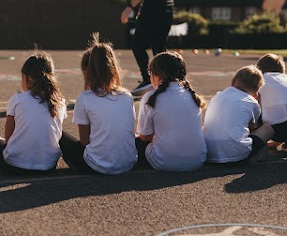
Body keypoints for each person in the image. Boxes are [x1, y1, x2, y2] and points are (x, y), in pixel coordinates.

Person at [59, 33, 137, 175]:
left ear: (88, 72)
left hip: (96, 166)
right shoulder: (126, 95)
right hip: (128, 164)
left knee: (60, 135)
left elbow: (84, 141)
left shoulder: (85, 98)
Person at [135, 52, 207, 171]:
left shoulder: (150, 97)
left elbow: (145, 136)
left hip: (164, 163)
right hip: (197, 161)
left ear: (156, 75)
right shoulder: (193, 96)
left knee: (136, 142)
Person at [0, 52, 67, 175]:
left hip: (15, 166)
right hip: (49, 166)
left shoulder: (17, 99)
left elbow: (9, 137)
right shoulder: (60, 101)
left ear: (27, 78)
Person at [203, 65, 274, 165]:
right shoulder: (252, 103)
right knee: (268, 128)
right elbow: (252, 128)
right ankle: (259, 155)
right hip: (237, 157)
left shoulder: (217, 96)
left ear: (233, 82)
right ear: (256, 93)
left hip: (209, 155)